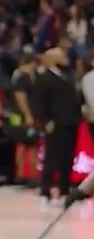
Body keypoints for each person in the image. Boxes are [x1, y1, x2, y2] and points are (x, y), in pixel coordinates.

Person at [35, 47, 83, 204]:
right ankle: (45, 190)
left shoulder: (68, 76)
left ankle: (64, 189)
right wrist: (45, 121)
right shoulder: (44, 78)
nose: (65, 58)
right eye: (61, 56)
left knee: (67, 158)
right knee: (51, 158)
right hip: (55, 123)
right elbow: (40, 102)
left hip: (71, 122)